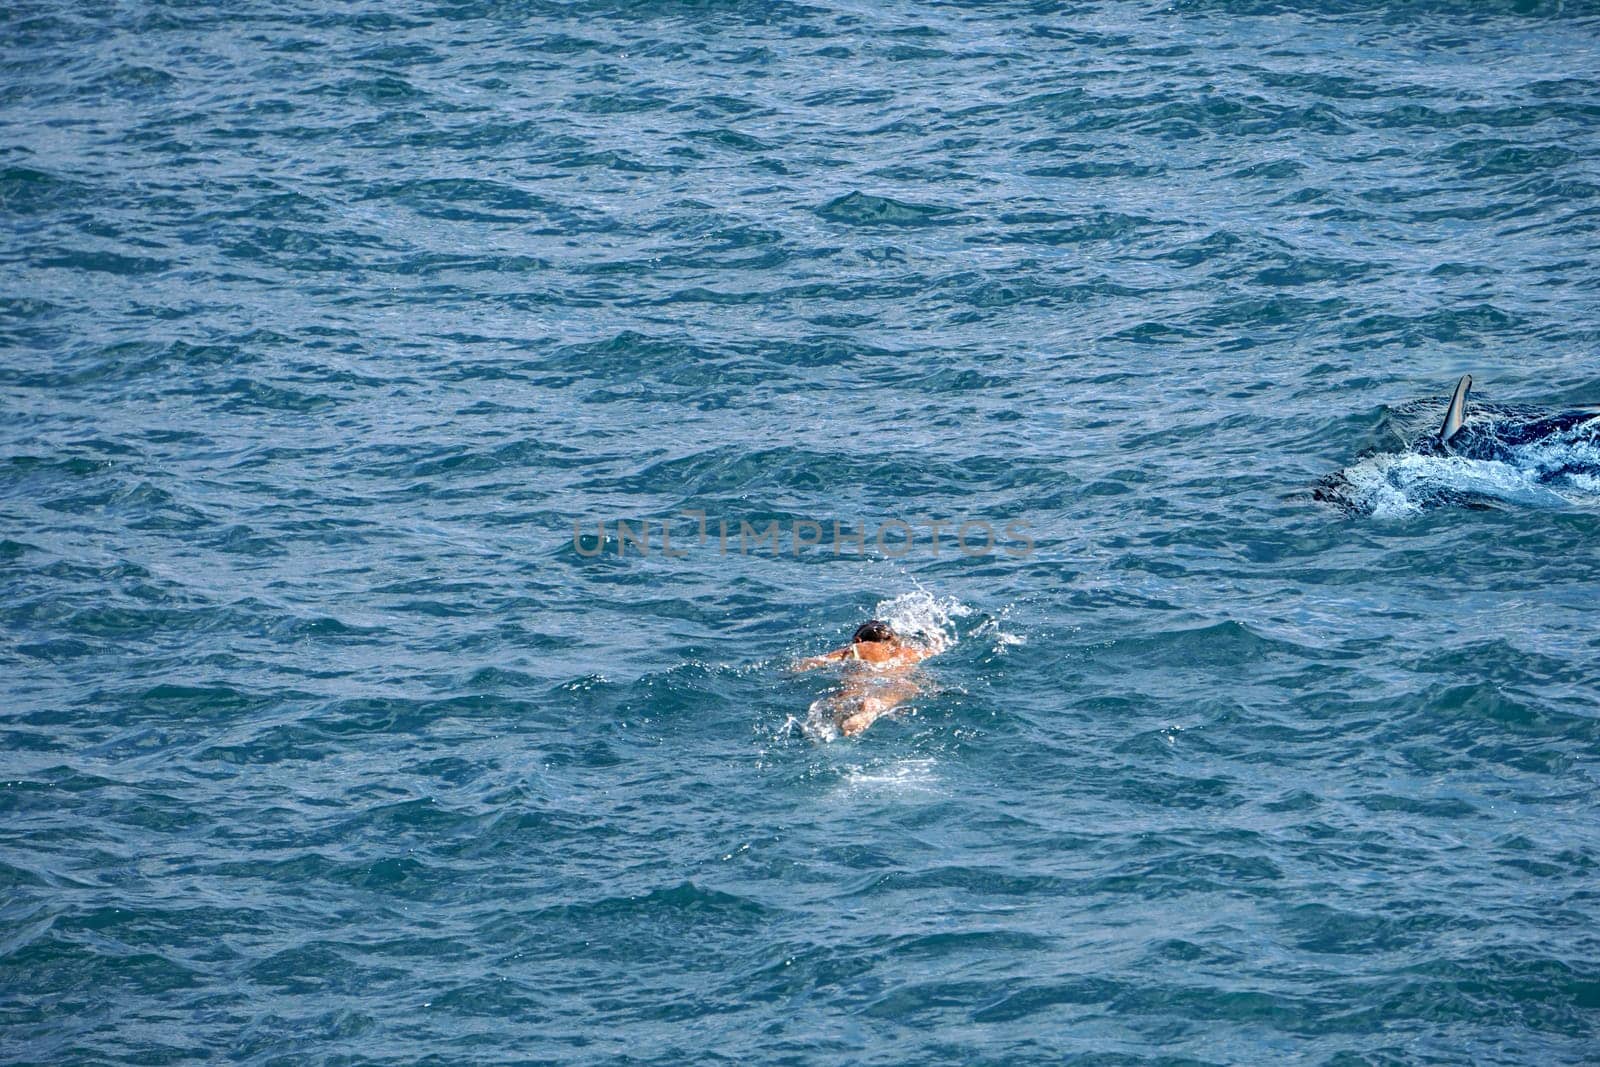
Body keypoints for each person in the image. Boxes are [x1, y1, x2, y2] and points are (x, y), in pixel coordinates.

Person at [794, 620, 937, 736]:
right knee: (900, 691)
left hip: (864, 680)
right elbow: (936, 649)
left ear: (858, 640)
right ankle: (872, 708)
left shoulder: (861, 647)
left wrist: (794, 670)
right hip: (898, 682)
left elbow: (814, 663)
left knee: (844, 697)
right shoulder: (910, 653)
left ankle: (840, 726)